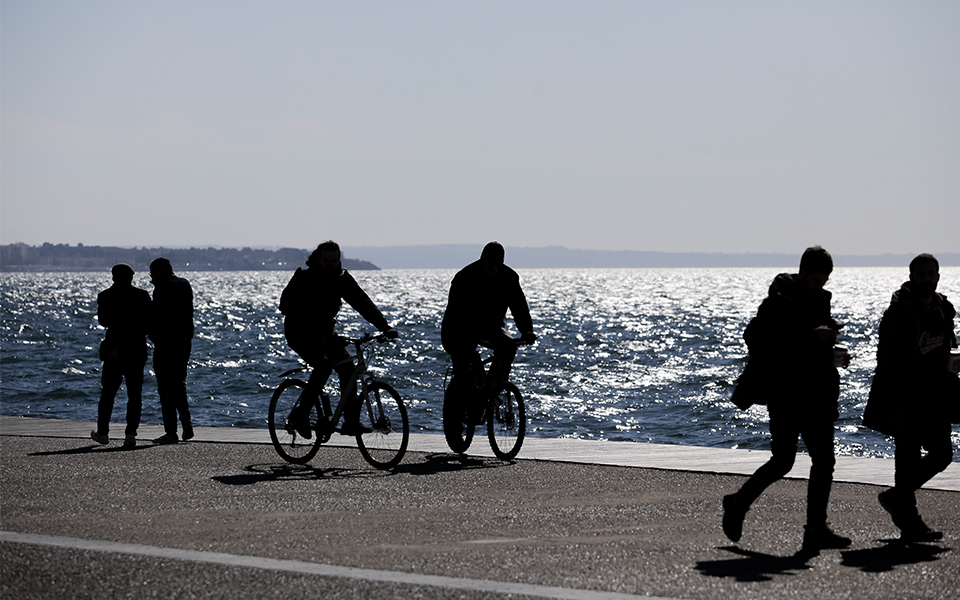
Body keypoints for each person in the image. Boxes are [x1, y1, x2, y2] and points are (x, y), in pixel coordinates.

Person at [723, 246, 851, 554]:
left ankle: (816, 528)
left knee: (824, 461)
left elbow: (812, 344)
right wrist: (813, 339)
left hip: (817, 391)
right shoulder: (777, 301)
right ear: (802, 272)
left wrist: (833, 353)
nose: (819, 286)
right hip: (785, 391)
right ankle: (738, 502)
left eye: (824, 281)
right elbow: (767, 343)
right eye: (815, 279)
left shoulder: (821, 300)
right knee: (784, 460)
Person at [863, 253, 958, 542]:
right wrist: (896, 405)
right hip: (906, 397)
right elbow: (888, 362)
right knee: (907, 458)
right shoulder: (900, 312)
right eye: (921, 274)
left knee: (942, 454)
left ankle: (896, 497)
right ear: (911, 276)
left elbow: (945, 351)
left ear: (938, 277)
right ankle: (910, 521)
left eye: (931, 274)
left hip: (936, 397)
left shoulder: (943, 310)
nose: (926, 279)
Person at [279, 240, 398, 436]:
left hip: (325, 335)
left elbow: (363, 303)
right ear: (318, 259)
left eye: (333, 260)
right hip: (299, 333)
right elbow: (285, 305)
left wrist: (385, 327)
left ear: (339, 261)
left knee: (349, 370)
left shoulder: (342, 279)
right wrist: (308, 315)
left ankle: (350, 422)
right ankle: (301, 414)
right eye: (325, 260)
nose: (329, 264)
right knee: (323, 366)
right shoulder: (304, 277)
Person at [441, 242, 536, 412]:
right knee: (464, 366)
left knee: (509, 347)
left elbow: (519, 307)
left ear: (501, 263)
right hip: (457, 328)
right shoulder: (464, 276)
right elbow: (454, 312)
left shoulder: (509, 277)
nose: (488, 270)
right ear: (480, 259)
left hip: (490, 328)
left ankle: (493, 389)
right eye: (485, 266)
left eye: (493, 267)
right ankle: (461, 408)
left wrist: (527, 331)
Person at [90, 264, 152, 448]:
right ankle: (131, 434)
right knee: (135, 395)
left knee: (108, 394)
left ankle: (103, 433)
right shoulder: (142, 295)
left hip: (113, 351)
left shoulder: (105, 296)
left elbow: (103, 321)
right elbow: (149, 323)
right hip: (135, 350)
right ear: (131, 278)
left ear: (113, 277)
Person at [149, 257, 195, 444]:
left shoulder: (161, 289)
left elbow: (157, 317)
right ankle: (186, 422)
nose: (151, 277)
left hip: (165, 343)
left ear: (159, 272)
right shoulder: (185, 284)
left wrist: (153, 337)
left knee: (165, 388)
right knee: (178, 383)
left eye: (152, 273)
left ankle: (171, 431)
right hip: (184, 341)